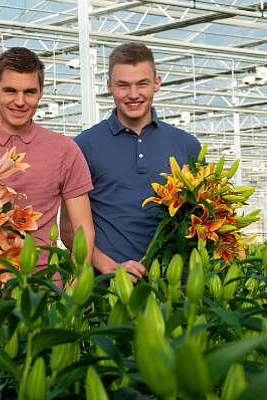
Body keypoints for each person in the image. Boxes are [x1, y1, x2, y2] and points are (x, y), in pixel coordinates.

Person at [0, 47, 95, 268]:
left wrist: (76, 284)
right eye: (10, 91)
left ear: (41, 92)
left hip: (44, 290)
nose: (20, 101)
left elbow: (82, 229)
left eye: (29, 92)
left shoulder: (65, 150)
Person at [69, 42, 201, 282]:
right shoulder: (82, 146)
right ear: (109, 85)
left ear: (157, 83)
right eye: (123, 85)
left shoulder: (188, 146)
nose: (133, 94)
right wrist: (110, 267)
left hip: (176, 288)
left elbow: (199, 217)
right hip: (108, 289)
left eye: (142, 83)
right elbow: (70, 230)